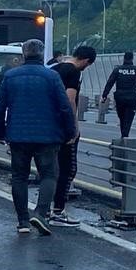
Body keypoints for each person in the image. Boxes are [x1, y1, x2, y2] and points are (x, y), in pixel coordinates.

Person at [0, 39, 76, 235]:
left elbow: (0, 107)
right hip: (48, 136)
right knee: (49, 175)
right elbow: (64, 106)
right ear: (41, 54)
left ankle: (22, 222)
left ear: (23, 54)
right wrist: (70, 131)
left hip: (18, 136)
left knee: (19, 176)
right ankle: (40, 213)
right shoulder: (52, 76)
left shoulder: (11, 76)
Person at [48, 45, 96, 227]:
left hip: (48, 124)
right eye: (88, 64)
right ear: (86, 61)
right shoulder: (74, 72)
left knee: (51, 167)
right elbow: (70, 100)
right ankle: (58, 210)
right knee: (68, 168)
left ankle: (46, 208)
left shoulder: (54, 68)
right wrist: (73, 127)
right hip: (62, 126)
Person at [100, 51, 136, 138]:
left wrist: (104, 95)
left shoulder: (117, 69)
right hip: (132, 97)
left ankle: (123, 134)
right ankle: (125, 135)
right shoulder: (135, 69)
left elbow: (110, 82)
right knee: (129, 117)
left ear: (124, 58)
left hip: (120, 97)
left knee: (121, 117)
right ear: (132, 58)